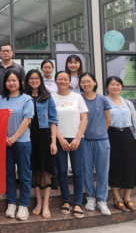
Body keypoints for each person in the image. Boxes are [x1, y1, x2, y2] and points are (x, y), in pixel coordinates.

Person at [106, 76, 136, 211]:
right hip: (111, 135)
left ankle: (127, 197)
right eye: (112, 84)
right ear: (107, 87)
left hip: (127, 136)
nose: (115, 87)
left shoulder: (128, 103)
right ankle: (117, 197)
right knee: (114, 166)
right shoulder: (104, 102)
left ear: (121, 87)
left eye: (118, 84)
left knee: (129, 165)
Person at [0, 70, 33, 221]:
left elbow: (27, 120)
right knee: (8, 174)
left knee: (24, 175)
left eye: (14, 80)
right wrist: (5, 138)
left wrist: (13, 138)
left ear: (20, 82)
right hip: (4, 142)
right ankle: (11, 203)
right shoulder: (0, 99)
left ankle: (24, 205)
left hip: (22, 142)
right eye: (8, 80)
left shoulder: (27, 99)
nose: (11, 83)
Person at [52, 71, 88, 218]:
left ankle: (78, 203)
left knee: (78, 171)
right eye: (60, 79)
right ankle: (66, 201)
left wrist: (78, 138)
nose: (62, 81)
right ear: (55, 81)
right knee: (61, 171)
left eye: (65, 79)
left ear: (70, 82)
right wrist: (60, 139)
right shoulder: (51, 98)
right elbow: (51, 120)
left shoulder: (77, 97)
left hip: (76, 138)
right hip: (59, 138)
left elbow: (84, 119)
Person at [24, 69, 58, 220]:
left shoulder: (47, 97)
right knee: (34, 169)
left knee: (45, 170)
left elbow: (53, 120)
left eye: (36, 78)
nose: (34, 81)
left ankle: (46, 204)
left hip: (44, 136)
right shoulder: (24, 97)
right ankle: (38, 202)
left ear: (40, 80)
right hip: (28, 135)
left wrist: (54, 142)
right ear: (27, 80)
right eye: (31, 78)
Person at [80, 72, 112, 216]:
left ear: (95, 82)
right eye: (83, 82)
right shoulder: (78, 99)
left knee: (102, 171)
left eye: (89, 81)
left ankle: (102, 200)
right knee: (86, 170)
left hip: (101, 140)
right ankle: (90, 198)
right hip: (84, 140)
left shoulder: (103, 99)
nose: (86, 84)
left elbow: (108, 120)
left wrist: (100, 133)